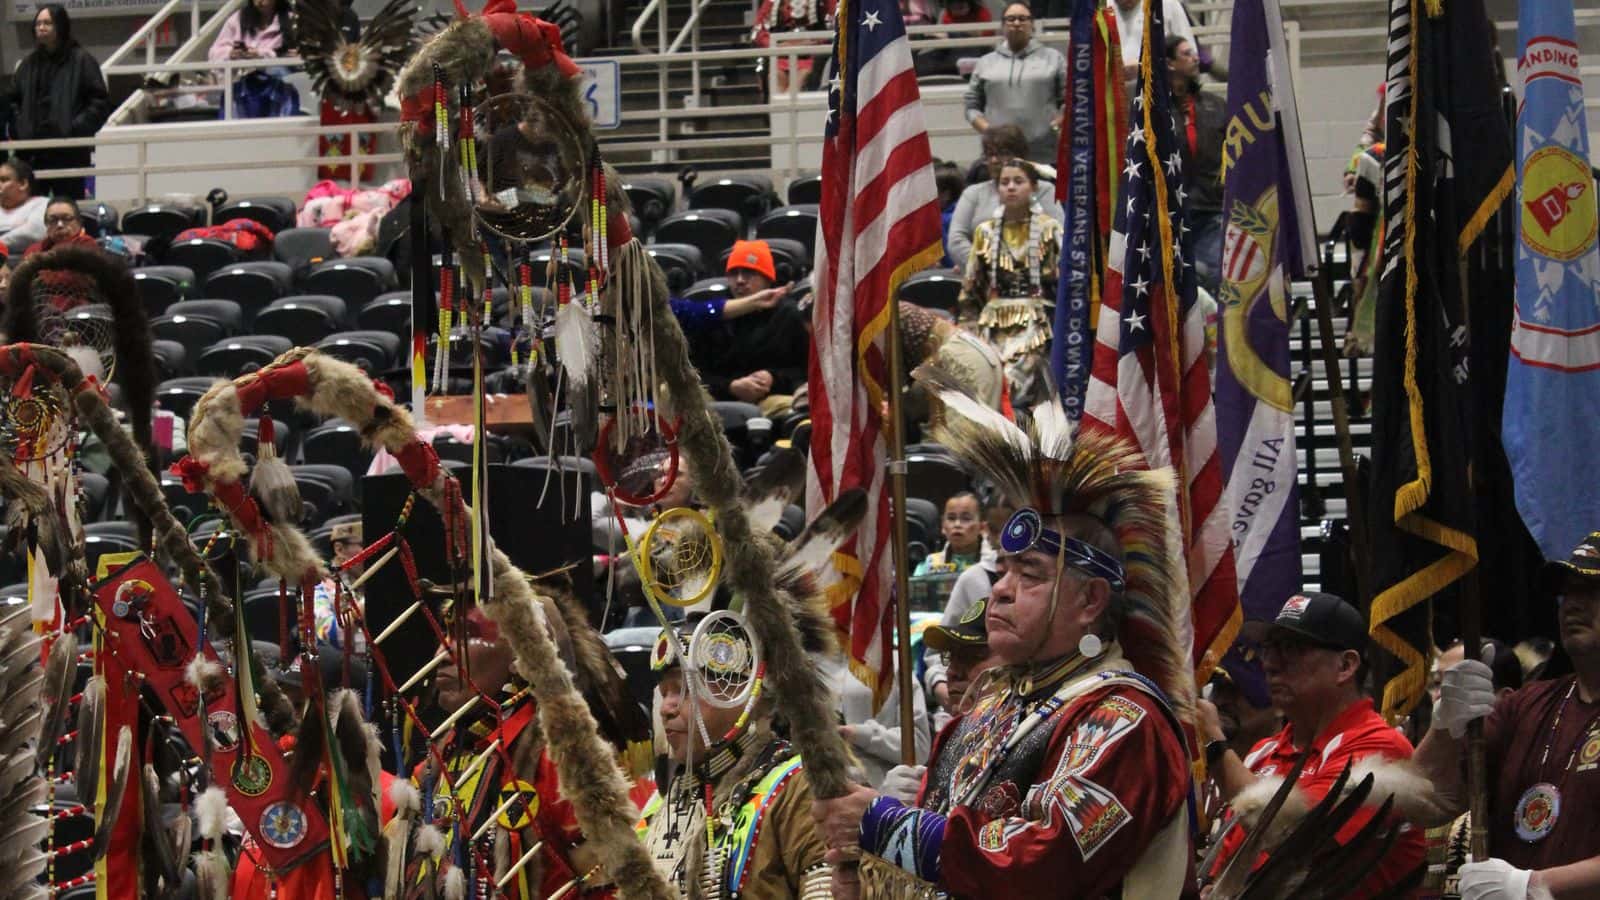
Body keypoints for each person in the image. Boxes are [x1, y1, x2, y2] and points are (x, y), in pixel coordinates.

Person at [810, 399, 1198, 899]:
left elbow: (1046, 862)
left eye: (1030, 575)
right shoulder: (993, 705)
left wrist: (882, 824)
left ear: (1090, 600)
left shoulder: (1125, 720)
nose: (1000, 590)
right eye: (1003, 572)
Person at [1199, 592, 1426, 896]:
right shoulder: (1261, 753)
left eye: (1291, 648)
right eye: (1268, 648)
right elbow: (1228, 869)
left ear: (1345, 665)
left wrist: (1214, 745)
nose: (1269, 663)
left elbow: (1292, 837)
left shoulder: (1381, 748)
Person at [418, 601, 646, 898]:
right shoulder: (439, 757)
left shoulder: (563, 759)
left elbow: (615, 884)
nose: (441, 655)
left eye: (465, 634)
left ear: (520, 653)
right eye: (442, 637)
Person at [1419, 532, 1600, 900]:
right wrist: (1444, 724)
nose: (1571, 606)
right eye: (1567, 593)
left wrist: (1533, 887)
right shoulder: (1528, 704)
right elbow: (1427, 802)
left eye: (1592, 591)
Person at [638, 614, 833, 898]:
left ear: (746, 696)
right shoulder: (662, 803)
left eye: (684, 691)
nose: (667, 708)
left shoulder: (799, 787)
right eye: (664, 692)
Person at [1420, 638, 1522, 900]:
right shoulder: (1434, 756)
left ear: (1506, 698)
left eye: (1461, 684)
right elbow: (1411, 803)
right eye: (1439, 684)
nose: (1443, 695)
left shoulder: (1527, 765)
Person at [957, 159, 1062, 410]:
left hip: (1037, 320)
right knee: (987, 375)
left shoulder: (1050, 229)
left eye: (1018, 181)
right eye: (1004, 183)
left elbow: (1064, 282)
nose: (1011, 188)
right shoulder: (985, 231)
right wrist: (967, 324)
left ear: (1034, 188)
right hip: (992, 319)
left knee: (1019, 376)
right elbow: (972, 283)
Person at [686, 239, 808, 416]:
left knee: (799, 408)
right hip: (718, 400)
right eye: (734, 274)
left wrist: (773, 379)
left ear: (767, 279)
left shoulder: (788, 315)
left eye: (749, 273)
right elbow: (694, 372)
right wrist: (730, 387)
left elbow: (804, 372)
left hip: (772, 400)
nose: (740, 280)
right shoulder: (716, 313)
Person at [1, 5, 109, 199]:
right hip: (32, 152)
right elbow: (13, 100)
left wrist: (74, 128)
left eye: (47, 23)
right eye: (38, 23)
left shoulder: (82, 60)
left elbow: (99, 101)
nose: (41, 27)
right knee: (31, 209)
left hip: (68, 151)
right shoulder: (28, 64)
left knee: (70, 205)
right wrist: (20, 126)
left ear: (60, 26)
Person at [816, 641, 931, 791]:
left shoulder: (893, 663)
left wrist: (860, 734)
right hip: (822, 796)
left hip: (883, 798)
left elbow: (919, 748)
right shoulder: (806, 665)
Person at [947, 125, 1063, 273]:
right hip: (983, 278)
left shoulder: (1045, 190)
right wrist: (985, 266)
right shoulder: (973, 193)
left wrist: (1022, 270)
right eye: (989, 154)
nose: (994, 160)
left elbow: (1058, 237)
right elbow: (956, 240)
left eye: (1002, 153)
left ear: (1020, 156)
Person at [962, 3, 1067, 164]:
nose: (1016, 23)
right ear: (1003, 25)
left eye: (1022, 19)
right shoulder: (986, 62)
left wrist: (1054, 126)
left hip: (1046, 151)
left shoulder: (1054, 58)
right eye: (1011, 19)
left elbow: (1070, 100)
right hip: (998, 153)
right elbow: (971, 106)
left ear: (1032, 24)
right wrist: (990, 132)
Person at [1166, 35, 1226, 295]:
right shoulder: (1153, 110)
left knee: (1216, 275)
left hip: (1212, 207)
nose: (1195, 58)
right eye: (1186, 54)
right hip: (1172, 212)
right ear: (1169, 64)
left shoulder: (1215, 105)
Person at [208, 0, 299, 119]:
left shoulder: (294, 21)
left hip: (281, 89)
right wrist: (231, 53)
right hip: (242, 89)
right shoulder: (238, 19)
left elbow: (304, 55)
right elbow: (214, 53)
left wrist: (262, 55)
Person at [1108, 0, 1194, 82]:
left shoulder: (1168, 5)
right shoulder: (1101, 9)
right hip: (1112, 88)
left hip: (1160, 88)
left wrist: (1146, 67)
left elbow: (1190, 59)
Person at [312, 520, 365, 651]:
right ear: (339, 549)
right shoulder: (320, 588)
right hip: (347, 666)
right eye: (364, 545)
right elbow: (327, 635)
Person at [914, 491, 994, 576]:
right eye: (951, 518)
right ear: (943, 526)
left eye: (966, 519)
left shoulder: (993, 562)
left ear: (982, 527)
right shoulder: (929, 565)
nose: (957, 524)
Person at [0, 160, 47, 255]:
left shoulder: (42, 203)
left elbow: (33, 234)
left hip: (28, 264)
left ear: (23, 184)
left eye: (4, 180)